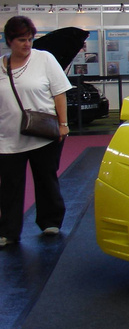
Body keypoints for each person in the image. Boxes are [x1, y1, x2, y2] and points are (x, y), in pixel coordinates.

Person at [0, 16, 72, 247]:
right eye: (22, 40)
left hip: (44, 134)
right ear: (9, 41)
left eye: (30, 39)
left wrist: (63, 124)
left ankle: (50, 222)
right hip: (8, 138)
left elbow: (59, 93)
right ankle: (8, 232)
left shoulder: (44, 59)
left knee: (46, 179)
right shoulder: (1, 66)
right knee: (9, 186)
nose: (27, 44)